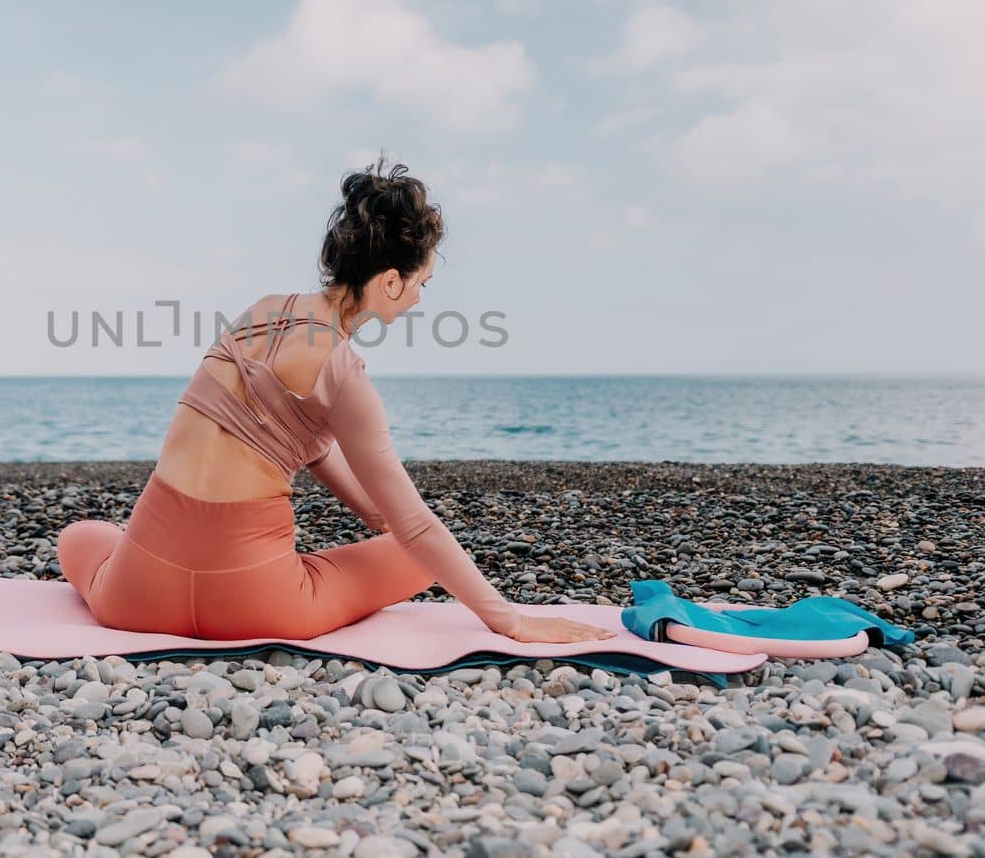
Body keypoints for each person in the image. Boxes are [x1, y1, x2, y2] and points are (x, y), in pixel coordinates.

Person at [57, 155, 613, 645]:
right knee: (415, 558)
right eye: (422, 281)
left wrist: (369, 506)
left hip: (135, 598)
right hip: (257, 607)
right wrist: (510, 621)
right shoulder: (346, 377)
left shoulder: (260, 311)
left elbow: (295, 436)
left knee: (81, 535)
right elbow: (412, 527)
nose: (420, 296)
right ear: (391, 281)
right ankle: (284, 579)